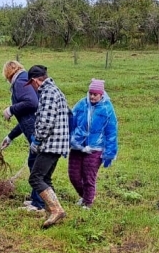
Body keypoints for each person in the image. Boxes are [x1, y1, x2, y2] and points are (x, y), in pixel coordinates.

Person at [26, 65, 70, 228]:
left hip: (51, 144)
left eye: (31, 83)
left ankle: (57, 210)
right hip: (57, 143)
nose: (31, 87)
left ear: (36, 80)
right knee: (45, 178)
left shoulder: (48, 93)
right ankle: (52, 212)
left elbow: (45, 122)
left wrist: (36, 140)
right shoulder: (54, 90)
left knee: (35, 178)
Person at [68, 79, 118, 208]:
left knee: (88, 176)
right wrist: (71, 139)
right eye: (90, 93)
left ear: (101, 94)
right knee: (74, 175)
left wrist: (110, 152)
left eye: (95, 94)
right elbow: (71, 123)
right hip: (77, 147)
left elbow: (111, 131)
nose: (92, 96)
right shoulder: (81, 105)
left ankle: (88, 203)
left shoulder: (107, 109)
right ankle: (84, 196)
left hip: (96, 148)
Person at [0, 60, 42, 211]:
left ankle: (39, 204)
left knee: (37, 166)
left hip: (39, 132)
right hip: (36, 130)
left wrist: (11, 109)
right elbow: (26, 119)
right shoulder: (24, 80)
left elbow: (32, 102)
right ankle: (37, 199)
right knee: (34, 163)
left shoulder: (20, 82)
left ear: (8, 73)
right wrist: (10, 136)